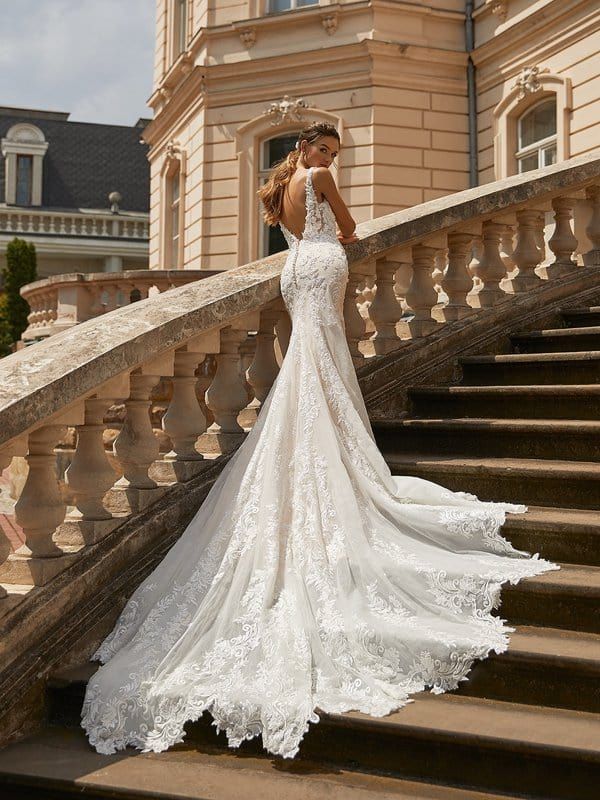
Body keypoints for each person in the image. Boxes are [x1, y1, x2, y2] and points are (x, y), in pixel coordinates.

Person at [81, 121, 560, 760]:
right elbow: (351, 226)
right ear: (307, 148)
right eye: (325, 150)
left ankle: (320, 438)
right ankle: (336, 447)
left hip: (293, 271)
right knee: (324, 357)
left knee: (309, 361)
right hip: (323, 266)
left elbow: (307, 225)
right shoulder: (318, 180)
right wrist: (343, 225)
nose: (330, 160)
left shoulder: (275, 191)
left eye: (333, 154)